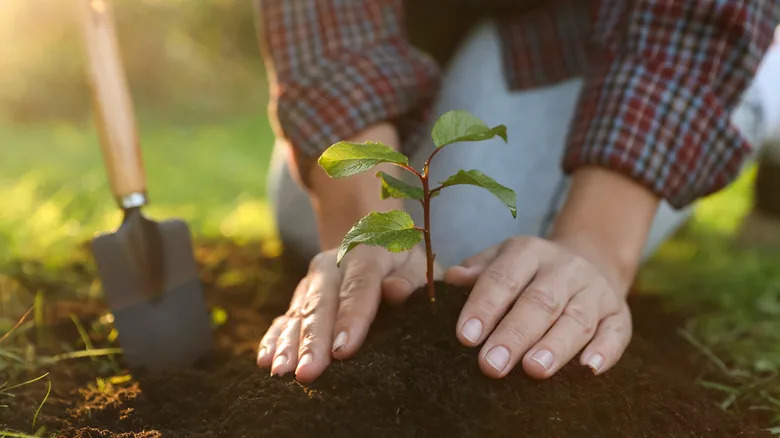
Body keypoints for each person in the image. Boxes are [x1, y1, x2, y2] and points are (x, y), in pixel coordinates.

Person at [253, 0, 780, 384]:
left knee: (472, 241)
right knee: (305, 216)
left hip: (610, 26)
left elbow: (690, 21)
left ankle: (765, 77)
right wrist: (366, 235)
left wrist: (596, 248)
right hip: (421, 25)